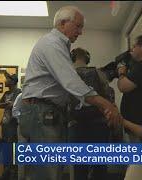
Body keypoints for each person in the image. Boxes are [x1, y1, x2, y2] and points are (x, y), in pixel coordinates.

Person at [20, 6, 121, 180]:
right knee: (48, 172)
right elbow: (71, 81)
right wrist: (106, 104)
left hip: (46, 113)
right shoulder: (52, 44)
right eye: (78, 26)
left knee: (46, 170)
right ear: (63, 23)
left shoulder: (57, 45)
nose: (81, 32)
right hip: (42, 113)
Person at [68, 47, 113, 180]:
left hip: (77, 126)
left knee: (79, 168)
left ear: (72, 58)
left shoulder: (69, 75)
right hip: (99, 126)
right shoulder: (99, 74)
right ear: (87, 59)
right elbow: (109, 98)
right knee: (99, 167)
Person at [0, 73, 21, 180]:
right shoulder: (6, 93)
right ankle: (6, 174)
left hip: (13, 124)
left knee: (13, 150)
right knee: (5, 150)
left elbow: (14, 106)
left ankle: (12, 174)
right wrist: (7, 104)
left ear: (13, 81)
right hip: (5, 124)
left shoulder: (18, 92)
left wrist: (8, 104)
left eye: (7, 79)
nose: (5, 81)